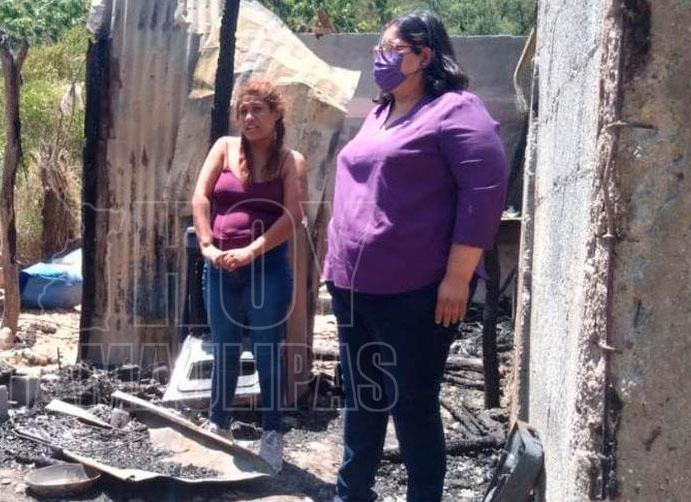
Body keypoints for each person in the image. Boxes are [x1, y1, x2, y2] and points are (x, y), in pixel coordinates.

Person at [323, 11, 508, 502]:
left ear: (424, 55)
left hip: (414, 292)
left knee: (411, 404)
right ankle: (351, 494)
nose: (380, 59)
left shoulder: (455, 110)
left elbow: (484, 190)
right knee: (362, 399)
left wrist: (458, 277)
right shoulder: (380, 113)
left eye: (391, 50)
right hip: (352, 287)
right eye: (378, 50)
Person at [191, 80, 305, 472]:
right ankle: (218, 425)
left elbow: (293, 216)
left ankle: (271, 433)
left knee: (266, 350)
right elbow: (200, 197)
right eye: (243, 110)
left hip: (266, 269)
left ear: (276, 114)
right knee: (223, 348)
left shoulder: (290, 160)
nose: (249, 117)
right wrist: (207, 246)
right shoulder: (223, 148)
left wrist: (251, 251)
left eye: (257, 109)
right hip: (220, 265)